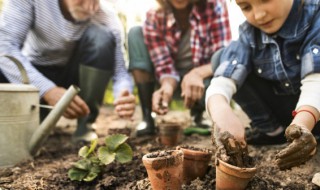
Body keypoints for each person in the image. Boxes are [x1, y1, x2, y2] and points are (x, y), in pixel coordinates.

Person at [206, 0, 320, 169]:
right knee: (220, 58)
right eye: (246, 7)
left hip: (312, 112)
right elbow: (222, 80)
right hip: (285, 112)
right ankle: (273, 132)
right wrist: (221, 112)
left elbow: (315, 81)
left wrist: (302, 124)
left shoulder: (314, 16)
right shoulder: (248, 33)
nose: (258, 15)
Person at [0, 0, 135, 142]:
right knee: (25, 135)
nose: (90, 8)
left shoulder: (106, 16)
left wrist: (123, 92)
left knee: (101, 37)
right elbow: (4, 47)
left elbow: (120, 72)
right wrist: (47, 90)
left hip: (74, 77)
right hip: (35, 74)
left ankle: (86, 124)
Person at [128, 0, 231, 136]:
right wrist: (167, 86)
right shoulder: (154, 16)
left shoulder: (215, 5)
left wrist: (197, 74)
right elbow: (163, 64)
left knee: (219, 76)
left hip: (202, 82)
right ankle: (147, 116)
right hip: (171, 81)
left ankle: (198, 114)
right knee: (135, 32)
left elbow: (223, 57)